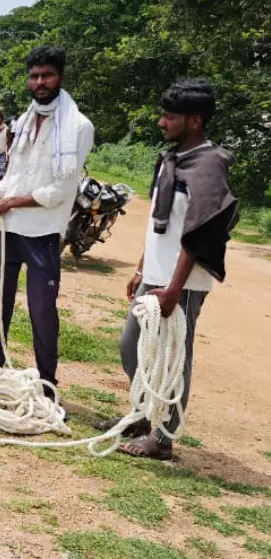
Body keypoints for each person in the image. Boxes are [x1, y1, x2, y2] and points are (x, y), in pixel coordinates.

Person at [96, 78, 238, 460]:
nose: (161, 122)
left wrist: (175, 288)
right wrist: (142, 269)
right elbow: (161, 224)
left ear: (195, 121)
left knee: (175, 356)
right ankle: (144, 414)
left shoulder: (208, 167)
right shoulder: (172, 159)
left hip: (183, 283)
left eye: (170, 116)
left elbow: (198, 232)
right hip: (157, 276)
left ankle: (163, 438)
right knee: (132, 345)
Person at [0, 46, 95, 394]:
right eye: (34, 76)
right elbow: (12, 178)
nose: (40, 82)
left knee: (42, 310)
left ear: (61, 77)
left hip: (43, 233)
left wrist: (10, 202)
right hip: (9, 230)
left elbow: (61, 189)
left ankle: (47, 385)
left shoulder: (78, 127)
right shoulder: (24, 121)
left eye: (47, 75)